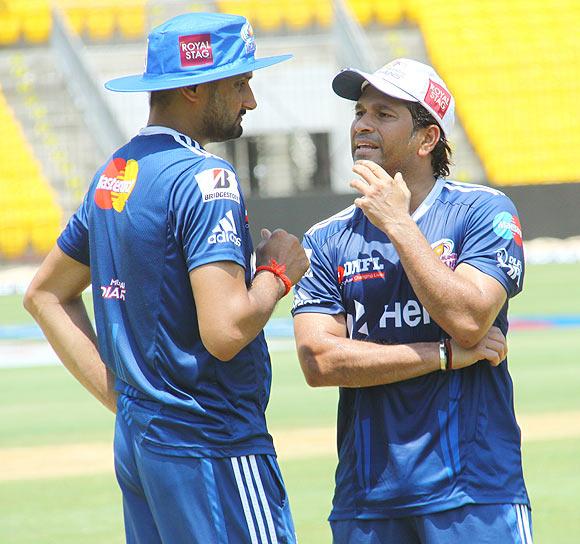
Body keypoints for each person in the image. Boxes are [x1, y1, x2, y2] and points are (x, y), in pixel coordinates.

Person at [24, 12, 308, 544]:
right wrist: (277, 270)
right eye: (240, 82)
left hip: (142, 442)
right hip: (212, 443)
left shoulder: (115, 173)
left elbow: (44, 295)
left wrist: (127, 398)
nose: (251, 100)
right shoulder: (207, 178)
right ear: (196, 87)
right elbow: (225, 332)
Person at [292, 58, 532, 543]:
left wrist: (399, 224)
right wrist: (440, 355)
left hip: (475, 494)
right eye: (360, 112)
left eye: (384, 114)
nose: (361, 124)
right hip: (367, 503)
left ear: (427, 139)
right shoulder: (326, 237)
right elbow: (319, 361)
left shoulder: (483, 212)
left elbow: (468, 318)